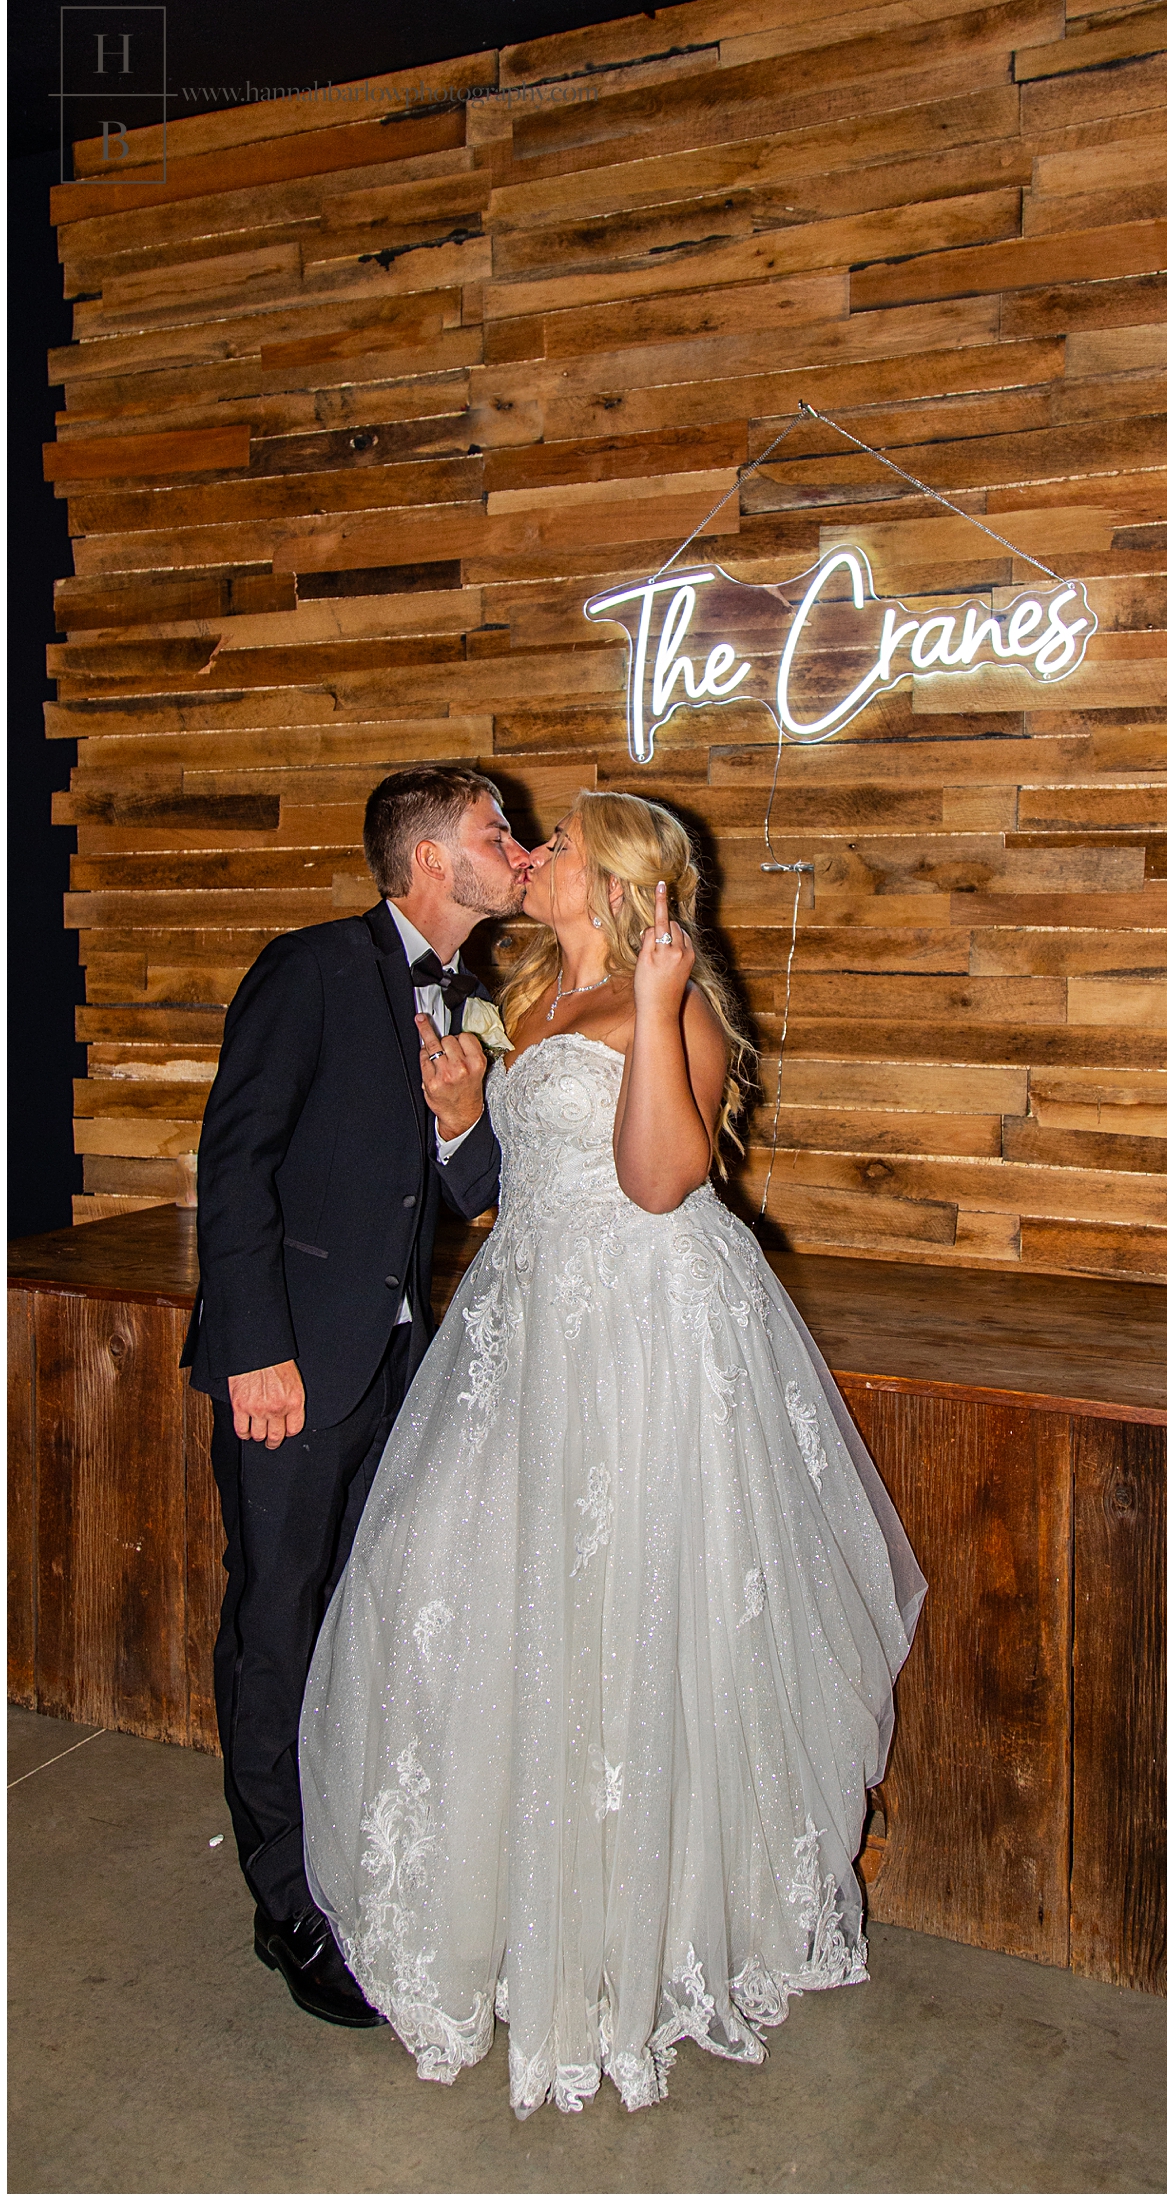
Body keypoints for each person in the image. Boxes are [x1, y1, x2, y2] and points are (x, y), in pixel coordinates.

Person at [299, 789, 925, 2115]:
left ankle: (637, 1924)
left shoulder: (676, 1003)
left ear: (618, 875)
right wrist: (468, 1113)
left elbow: (655, 1181)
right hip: (530, 1329)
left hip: (647, 1335)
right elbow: (514, 1189)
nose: (533, 853)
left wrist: (650, 1001)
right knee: (466, 1588)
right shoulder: (519, 997)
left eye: (559, 844)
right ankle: (522, 1904)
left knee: (633, 1614)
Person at [183, 764, 531, 2027]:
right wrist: (255, 1347)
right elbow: (233, 1167)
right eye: (499, 832)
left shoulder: (474, 997)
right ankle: (287, 1903)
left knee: (369, 1619)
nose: (519, 848)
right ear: (432, 859)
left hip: (398, 1368)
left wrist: (460, 1116)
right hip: (290, 1367)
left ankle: (354, 1848)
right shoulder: (312, 965)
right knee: (276, 1624)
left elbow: (464, 1190)